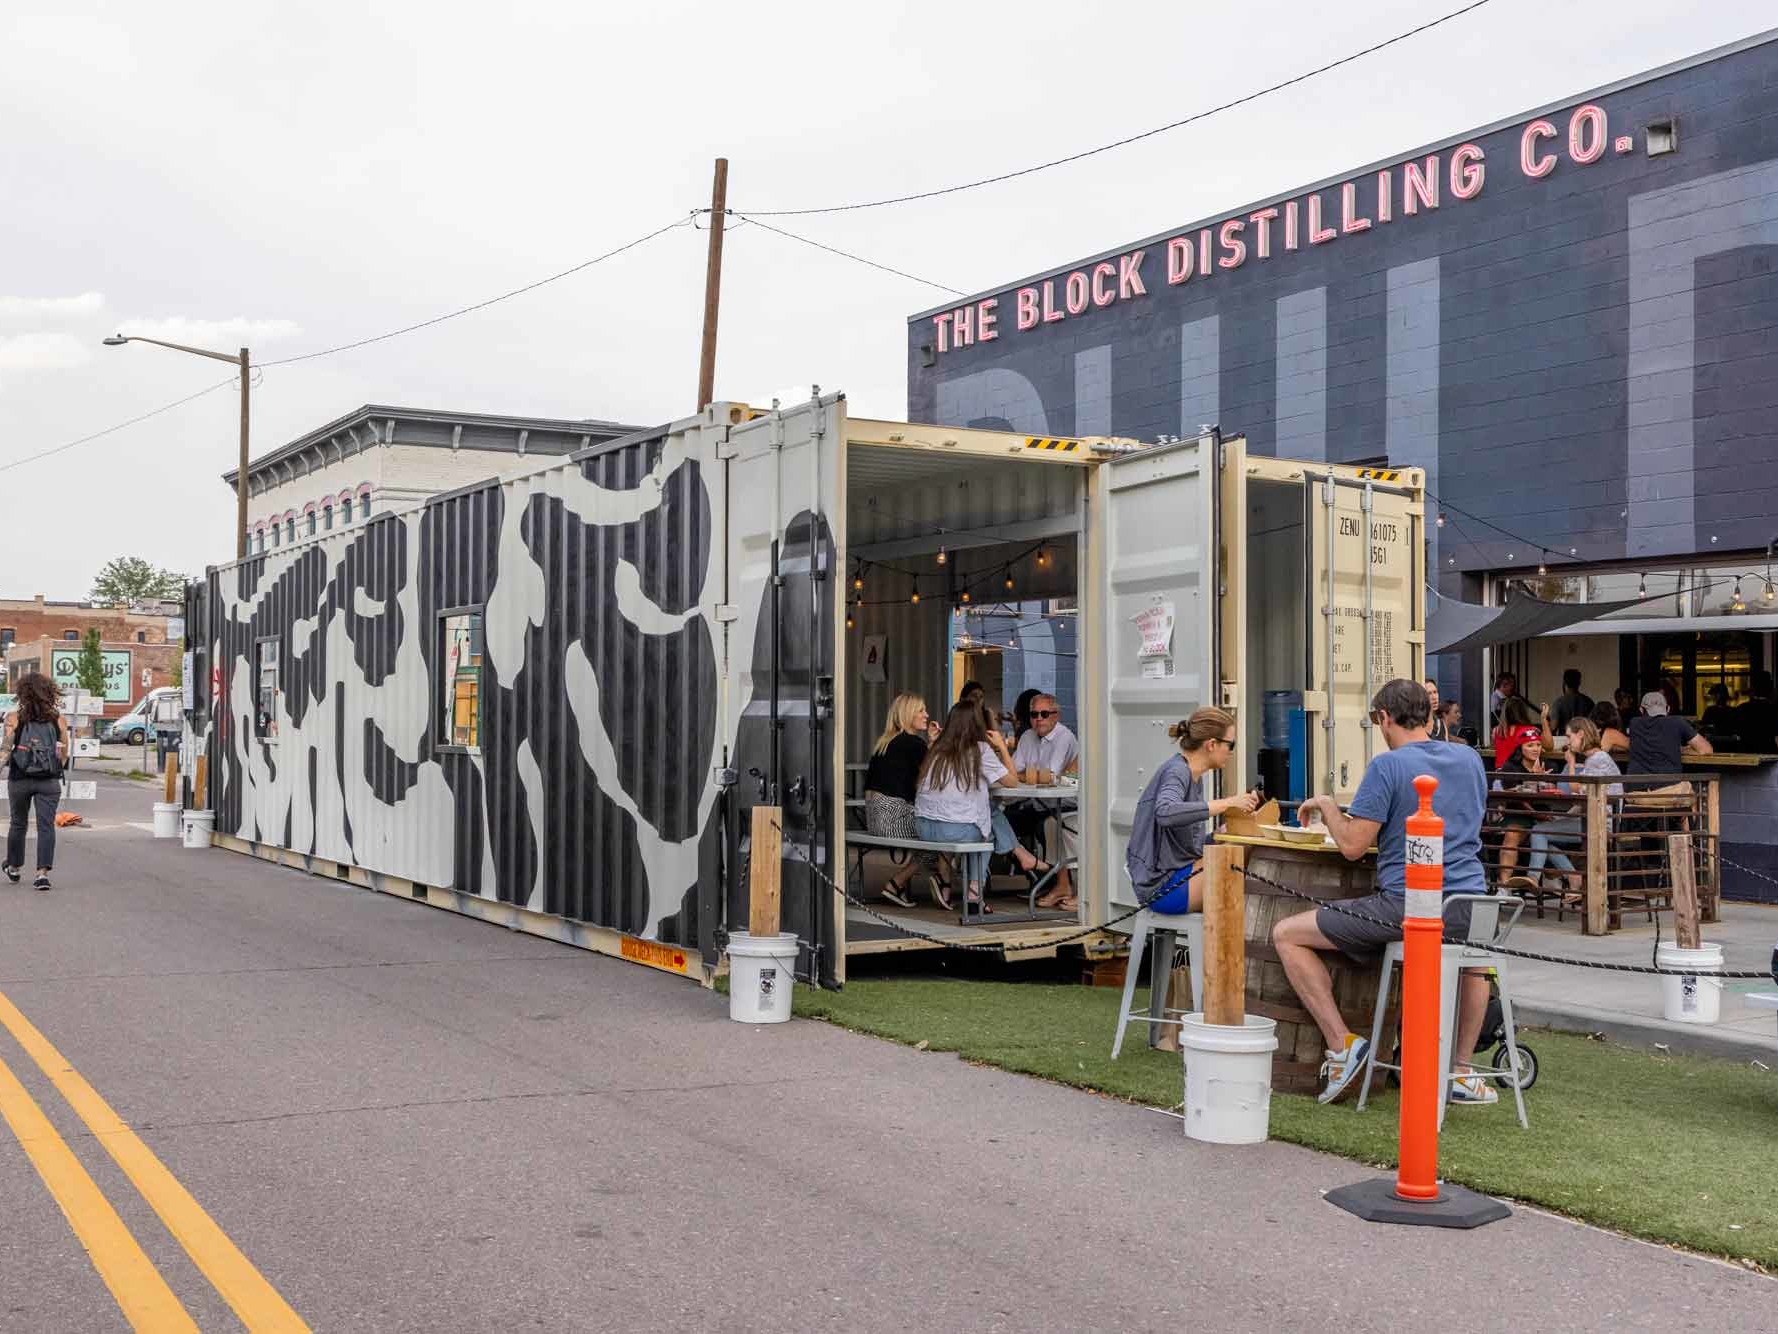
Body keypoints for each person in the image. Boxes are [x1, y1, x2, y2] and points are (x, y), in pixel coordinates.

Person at [1273, 680, 1497, 1107]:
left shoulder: (1387, 766)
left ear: (1382, 718)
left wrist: (1329, 806)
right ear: (1431, 718)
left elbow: (1354, 846)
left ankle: (1343, 1045)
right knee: (1474, 966)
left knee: (1286, 933)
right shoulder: (1469, 759)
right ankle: (1461, 1070)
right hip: (1472, 902)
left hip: (1407, 906)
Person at [1124, 706, 1259, 1051]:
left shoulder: (1191, 777)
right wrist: (1226, 803)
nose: (1231, 751)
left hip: (1171, 875)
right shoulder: (1178, 773)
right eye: (1230, 744)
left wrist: (1222, 833)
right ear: (1211, 744)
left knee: (1235, 864)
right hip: (1161, 885)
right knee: (1240, 882)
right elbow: (1166, 812)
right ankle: (1220, 1011)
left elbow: (1187, 844)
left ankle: (1205, 1012)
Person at [914, 703, 1048, 913]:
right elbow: (1012, 781)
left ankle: (1021, 856)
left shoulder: (936, 749)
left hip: (923, 828)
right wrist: (1003, 747)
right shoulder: (980, 749)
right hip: (953, 830)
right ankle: (975, 894)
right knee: (987, 832)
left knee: (987, 809)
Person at [1522, 718, 1623, 902]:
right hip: (1593, 819)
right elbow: (1586, 799)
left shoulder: (1597, 759)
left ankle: (1536, 878)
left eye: (1569, 736)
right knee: (1542, 835)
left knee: (1538, 832)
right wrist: (1562, 819)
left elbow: (1577, 789)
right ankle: (1571, 877)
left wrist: (1570, 763)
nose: (1568, 742)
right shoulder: (1596, 759)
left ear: (1581, 734)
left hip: (1599, 823)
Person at [863, 692, 948, 908]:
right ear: (908, 714)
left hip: (875, 818)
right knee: (939, 834)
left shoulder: (886, 742)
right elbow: (930, 779)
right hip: (893, 816)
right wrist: (934, 744)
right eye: (921, 710)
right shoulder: (912, 744)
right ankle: (902, 883)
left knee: (935, 833)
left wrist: (929, 743)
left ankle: (938, 881)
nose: (926, 715)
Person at [1010, 693, 1081, 909]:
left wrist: (1026, 776)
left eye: (1044, 714)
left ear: (1056, 716)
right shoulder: (1027, 737)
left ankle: (1057, 883)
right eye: (1034, 714)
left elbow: (1050, 777)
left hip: (1065, 802)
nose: (1039, 719)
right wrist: (1029, 777)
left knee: (1048, 825)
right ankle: (1043, 878)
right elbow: (1013, 772)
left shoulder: (1064, 737)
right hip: (1037, 802)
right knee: (1004, 823)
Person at [2, 672, 71, 892]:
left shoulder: (13, 718)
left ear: (22, 693)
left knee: (18, 823)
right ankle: (42, 874)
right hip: (48, 781)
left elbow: (5, 750)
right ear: (50, 693)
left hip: (19, 779)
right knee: (45, 826)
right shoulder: (58, 719)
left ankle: (13, 866)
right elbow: (64, 755)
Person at [1494, 729, 1559, 886]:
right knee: (1511, 836)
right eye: (1530, 745)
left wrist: (1543, 780)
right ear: (1520, 748)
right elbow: (1516, 798)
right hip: (1519, 813)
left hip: (1545, 815)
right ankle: (1504, 885)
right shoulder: (1510, 767)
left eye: (1538, 745)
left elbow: (1553, 793)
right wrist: (1534, 780)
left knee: (1557, 838)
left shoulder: (1549, 765)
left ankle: (1561, 878)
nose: (1535, 749)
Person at [1627, 690, 1711, 775]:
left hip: (1636, 784)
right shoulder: (1677, 721)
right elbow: (1706, 750)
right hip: (1669, 785)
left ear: (1641, 710)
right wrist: (1681, 750)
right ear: (1668, 708)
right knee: (1710, 782)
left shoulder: (1634, 723)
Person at [1733, 670, 1777, 753]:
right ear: (1770, 689)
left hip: (1747, 752)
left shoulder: (1742, 709)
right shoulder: (1773, 709)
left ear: (1752, 689)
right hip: (1769, 752)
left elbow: (1736, 732)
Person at [1548, 669, 1594, 733]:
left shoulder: (1559, 702)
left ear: (1564, 683)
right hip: (1583, 738)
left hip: (1564, 739)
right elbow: (1592, 725)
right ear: (1579, 683)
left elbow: (1554, 727)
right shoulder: (1588, 702)